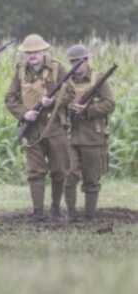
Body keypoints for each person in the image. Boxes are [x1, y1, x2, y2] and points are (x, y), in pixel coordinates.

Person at [4, 34, 73, 222]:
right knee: (35, 171)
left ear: (44, 52)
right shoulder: (20, 71)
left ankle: (56, 209)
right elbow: (10, 99)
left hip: (55, 126)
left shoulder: (58, 68)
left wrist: (52, 101)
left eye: (36, 52)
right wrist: (24, 114)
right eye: (28, 52)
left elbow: (70, 94)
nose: (32, 55)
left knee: (59, 170)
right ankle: (38, 212)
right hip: (32, 128)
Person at [64, 44, 115, 222]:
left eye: (79, 61)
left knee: (91, 180)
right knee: (69, 175)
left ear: (86, 61)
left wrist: (87, 109)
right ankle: (71, 215)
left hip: (93, 136)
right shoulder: (66, 82)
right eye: (72, 62)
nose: (75, 66)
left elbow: (109, 104)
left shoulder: (98, 79)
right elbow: (58, 105)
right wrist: (68, 107)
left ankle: (90, 216)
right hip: (70, 136)